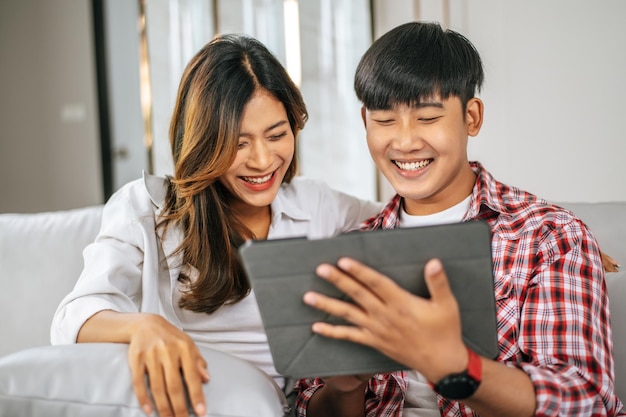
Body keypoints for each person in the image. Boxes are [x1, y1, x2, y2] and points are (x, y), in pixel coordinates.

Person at [295, 21, 625, 416]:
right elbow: (311, 406)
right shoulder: (348, 252)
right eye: (384, 121)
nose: (404, 141)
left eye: (427, 118)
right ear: (366, 122)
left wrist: (457, 369)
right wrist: (345, 386)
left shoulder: (550, 236)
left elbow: (583, 399)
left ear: (471, 117)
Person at [50, 34, 381, 417]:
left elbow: (403, 224)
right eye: (238, 143)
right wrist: (142, 328)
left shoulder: (314, 204)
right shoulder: (148, 209)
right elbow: (72, 318)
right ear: (204, 142)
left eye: (277, 135)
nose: (262, 161)